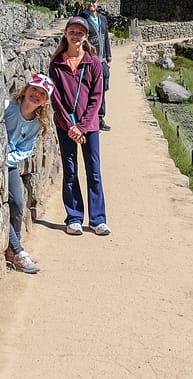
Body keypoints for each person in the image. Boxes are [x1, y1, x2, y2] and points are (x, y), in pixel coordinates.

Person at [49, 17, 108, 236]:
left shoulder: (92, 63)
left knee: (94, 171)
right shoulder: (56, 65)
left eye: (80, 33)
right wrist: (70, 126)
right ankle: (74, 217)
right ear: (65, 34)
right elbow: (56, 99)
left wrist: (81, 127)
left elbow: (96, 97)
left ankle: (97, 219)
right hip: (65, 125)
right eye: (72, 32)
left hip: (88, 126)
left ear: (86, 37)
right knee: (71, 170)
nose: (76, 36)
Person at [3, 73, 55, 274]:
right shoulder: (7, 108)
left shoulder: (35, 124)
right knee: (4, 205)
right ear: (25, 90)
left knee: (17, 203)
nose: (36, 94)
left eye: (42, 94)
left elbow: (25, 150)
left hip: (10, 164)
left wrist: (7, 157)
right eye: (34, 89)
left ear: (44, 102)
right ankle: (18, 252)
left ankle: (13, 251)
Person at [80, 0, 113, 131]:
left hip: (102, 60)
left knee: (102, 90)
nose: (91, 5)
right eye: (88, 3)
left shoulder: (102, 19)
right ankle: (89, 119)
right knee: (89, 90)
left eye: (93, 2)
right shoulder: (81, 20)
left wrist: (109, 57)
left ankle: (100, 118)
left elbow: (105, 39)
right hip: (89, 61)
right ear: (84, 5)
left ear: (97, 3)